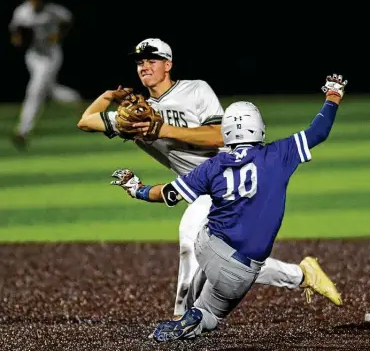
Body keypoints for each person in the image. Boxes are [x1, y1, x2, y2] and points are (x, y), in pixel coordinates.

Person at [77, 38, 343, 318]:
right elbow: (85, 121)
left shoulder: (195, 90)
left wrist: (164, 130)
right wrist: (110, 96)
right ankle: (301, 275)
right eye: (140, 62)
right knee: (223, 260)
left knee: (190, 241)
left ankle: (182, 317)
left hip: (227, 176)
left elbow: (220, 135)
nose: (144, 66)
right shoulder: (136, 116)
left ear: (168, 65)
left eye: (152, 60)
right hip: (198, 187)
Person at [9, 0, 82, 149]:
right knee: (51, 90)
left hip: (51, 55)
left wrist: (59, 35)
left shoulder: (53, 11)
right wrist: (18, 38)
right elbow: (15, 30)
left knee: (35, 90)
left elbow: (67, 20)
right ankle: (76, 101)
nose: (33, 0)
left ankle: (23, 131)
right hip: (33, 56)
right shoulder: (22, 12)